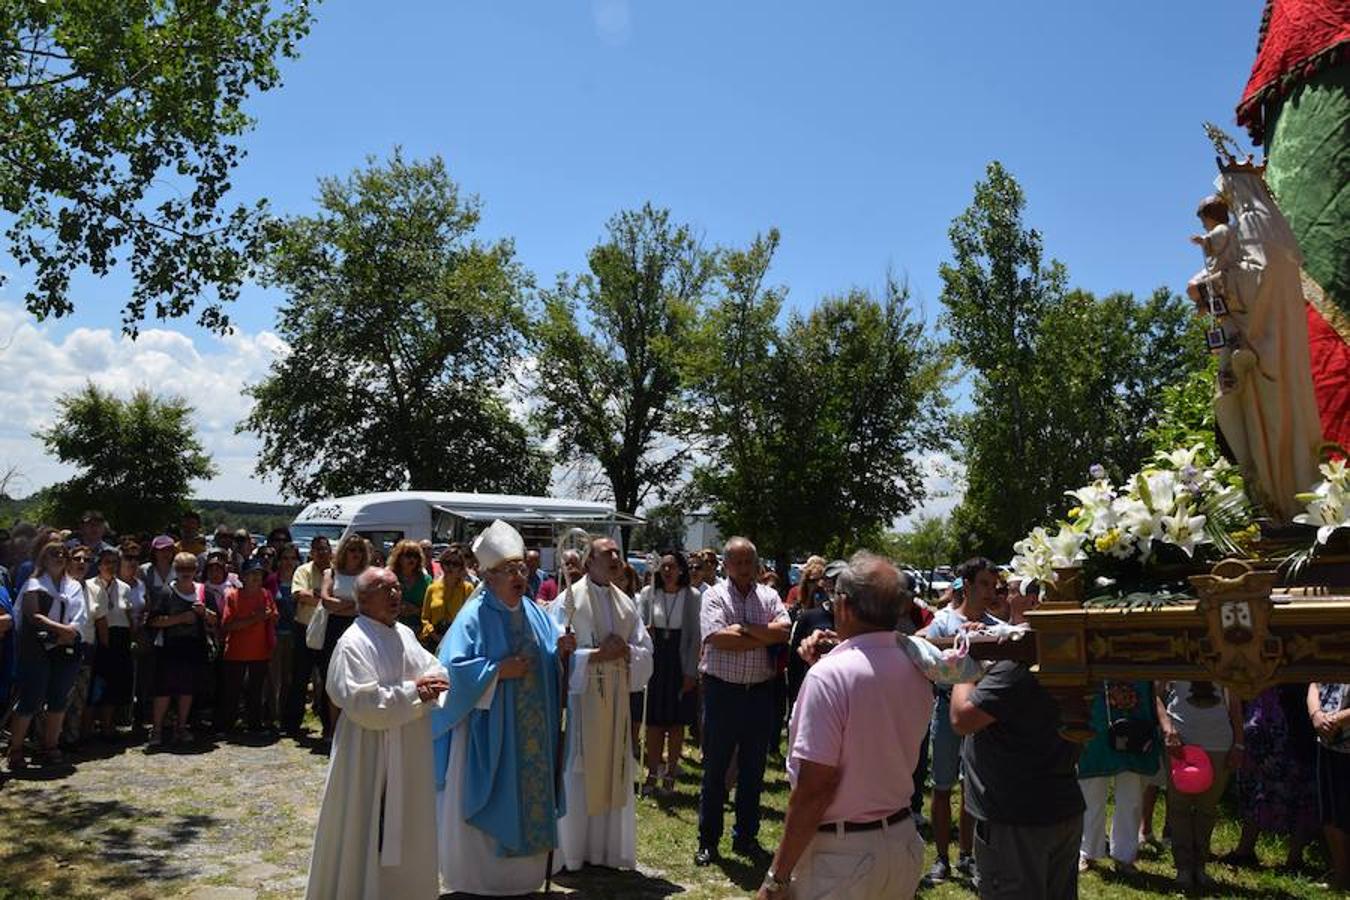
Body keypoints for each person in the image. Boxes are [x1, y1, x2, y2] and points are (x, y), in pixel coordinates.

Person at [757, 553, 933, 900]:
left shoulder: (830, 676)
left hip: (844, 855)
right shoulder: (915, 667)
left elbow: (814, 790)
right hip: (900, 842)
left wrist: (776, 877)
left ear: (845, 606)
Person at [432, 519, 575, 897]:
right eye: (509, 570)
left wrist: (560, 654)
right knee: (492, 795)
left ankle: (524, 877)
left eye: (521, 569)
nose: (518, 576)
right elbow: (452, 672)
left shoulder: (533, 612)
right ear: (489, 576)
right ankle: (481, 878)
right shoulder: (473, 615)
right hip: (489, 731)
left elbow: (547, 657)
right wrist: (497, 672)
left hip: (531, 735)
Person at [305, 567, 449, 900]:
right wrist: (416, 692)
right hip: (367, 751)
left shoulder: (405, 634)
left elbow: (436, 670)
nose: (396, 594)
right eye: (386, 588)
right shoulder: (353, 642)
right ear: (363, 599)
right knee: (366, 824)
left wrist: (426, 688)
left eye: (398, 587)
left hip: (409, 744)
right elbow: (363, 703)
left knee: (409, 820)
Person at [551, 536, 654, 871]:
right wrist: (594, 655)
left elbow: (645, 651)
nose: (614, 558)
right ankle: (574, 851)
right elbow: (555, 651)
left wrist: (626, 652)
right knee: (579, 771)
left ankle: (606, 851)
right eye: (606, 553)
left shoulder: (626, 602)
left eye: (617, 554)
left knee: (613, 767)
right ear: (588, 561)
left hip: (615, 704)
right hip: (583, 704)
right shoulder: (568, 601)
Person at [951, 648, 1084, 899]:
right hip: (1060, 806)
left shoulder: (1015, 667)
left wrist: (964, 668)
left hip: (1016, 821)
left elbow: (962, 719)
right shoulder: (1068, 654)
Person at [696, 536, 790, 867]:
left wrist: (745, 629)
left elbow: (784, 631)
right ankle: (708, 841)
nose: (744, 568)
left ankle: (745, 837)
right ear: (725, 564)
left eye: (749, 561)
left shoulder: (769, 595)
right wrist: (761, 634)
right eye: (737, 561)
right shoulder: (714, 595)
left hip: (759, 694)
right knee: (715, 768)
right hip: (723, 692)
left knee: (753, 770)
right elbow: (718, 639)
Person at [918, 556, 1004, 885]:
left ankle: (968, 856)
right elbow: (925, 657)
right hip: (944, 708)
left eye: (993, 585)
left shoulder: (996, 627)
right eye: (983, 583)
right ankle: (942, 858)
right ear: (966, 586)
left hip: (982, 713)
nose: (989, 591)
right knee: (942, 786)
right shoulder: (943, 623)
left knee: (974, 786)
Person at [1155, 680, 1243, 890]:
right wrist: (1167, 728)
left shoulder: (1225, 658)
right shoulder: (1175, 656)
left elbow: (1235, 705)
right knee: (1179, 807)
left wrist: (1239, 743)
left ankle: (1200, 867)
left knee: (1207, 808)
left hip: (1218, 742)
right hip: (1180, 742)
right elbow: (1155, 695)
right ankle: (1183, 868)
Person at [6, 541, 86, 770]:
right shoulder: (33, 583)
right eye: (53, 553)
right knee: (32, 698)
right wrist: (64, 631)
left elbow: (79, 617)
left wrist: (69, 632)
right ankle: (16, 749)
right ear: (43, 557)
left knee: (59, 698)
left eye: (63, 554)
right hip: (36, 648)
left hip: (66, 646)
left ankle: (50, 746)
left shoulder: (74, 586)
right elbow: (34, 617)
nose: (59, 557)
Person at [1224, 685, 1319, 871]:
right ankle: (1245, 850)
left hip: (1294, 719)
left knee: (1300, 784)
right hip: (1260, 717)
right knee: (1255, 785)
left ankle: (1294, 858)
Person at [635, 551, 701, 796]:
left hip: (679, 661)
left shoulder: (692, 597)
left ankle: (671, 773)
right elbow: (637, 626)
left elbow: (695, 637)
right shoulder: (648, 594)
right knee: (653, 722)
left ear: (681, 570)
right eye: (663, 567)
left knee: (675, 723)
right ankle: (652, 772)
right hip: (655, 660)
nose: (667, 571)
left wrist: (690, 672)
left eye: (672, 567)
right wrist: (645, 631)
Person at [1077, 680, 1160, 874]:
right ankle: (1087, 851)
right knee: (1091, 790)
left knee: (1131, 794)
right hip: (1097, 711)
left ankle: (1124, 855)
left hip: (1136, 714)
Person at [145, 552, 216, 747]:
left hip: (194, 647)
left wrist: (205, 613)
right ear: (175, 570)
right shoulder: (166, 593)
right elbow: (153, 621)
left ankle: (182, 727)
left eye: (190, 568)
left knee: (187, 690)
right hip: (169, 648)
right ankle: (157, 729)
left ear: (196, 570)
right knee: (163, 691)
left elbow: (216, 620)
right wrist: (180, 619)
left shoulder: (203, 592)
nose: (186, 572)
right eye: (181, 568)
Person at [317, 533, 367, 743]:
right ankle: (331, 727)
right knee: (332, 676)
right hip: (334, 628)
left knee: (356, 677)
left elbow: (366, 605)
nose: (355, 554)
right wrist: (350, 605)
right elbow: (326, 600)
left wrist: (343, 605)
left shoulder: (367, 574)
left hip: (359, 629)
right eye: (351, 549)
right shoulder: (332, 572)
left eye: (359, 550)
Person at [217, 560, 277, 733]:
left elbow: (273, 615)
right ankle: (228, 724)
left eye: (258, 574)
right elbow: (227, 625)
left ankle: (254, 723)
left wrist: (267, 616)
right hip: (236, 651)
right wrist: (255, 618)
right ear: (243, 577)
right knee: (232, 691)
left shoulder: (266, 594)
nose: (255, 578)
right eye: (251, 574)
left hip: (260, 651)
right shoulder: (232, 595)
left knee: (256, 691)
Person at [85, 546, 137, 740]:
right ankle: (86, 729)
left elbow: (128, 615)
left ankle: (108, 727)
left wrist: (133, 638)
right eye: (107, 562)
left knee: (114, 685)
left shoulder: (124, 587)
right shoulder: (89, 585)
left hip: (120, 638)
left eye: (114, 562)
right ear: (99, 565)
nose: (111, 566)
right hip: (98, 639)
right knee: (94, 686)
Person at [286, 535, 331, 735]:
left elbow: (313, 597)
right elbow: (299, 595)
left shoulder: (336, 572)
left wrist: (315, 595)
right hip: (304, 629)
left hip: (328, 631)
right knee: (299, 678)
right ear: (312, 552)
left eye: (325, 549)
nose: (322, 553)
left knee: (328, 680)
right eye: (318, 549)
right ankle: (292, 725)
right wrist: (328, 599)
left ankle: (328, 725)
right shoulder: (303, 571)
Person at [1309, 682, 1350, 890]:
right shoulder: (1328, 653)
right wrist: (1316, 714)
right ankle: (1341, 875)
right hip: (1327, 743)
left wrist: (1336, 719)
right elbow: (1314, 683)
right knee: (1330, 814)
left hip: (1344, 742)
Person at [266, 543, 301, 729]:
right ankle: (272, 716)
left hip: (295, 634)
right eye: (285, 558)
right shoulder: (272, 580)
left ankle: (286, 717)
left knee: (289, 677)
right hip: (275, 634)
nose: (288, 562)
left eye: (292, 558)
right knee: (273, 678)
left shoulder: (301, 579)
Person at [419, 543, 474, 651]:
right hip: (434, 641)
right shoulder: (432, 588)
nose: (450, 567)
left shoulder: (467, 589)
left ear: (461, 567)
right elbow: (425, 618)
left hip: (457, 640)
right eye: (447, 562)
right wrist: (434, 635)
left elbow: (470, 619)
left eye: (455, 564)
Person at [388, 539, 432, 633]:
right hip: (393, 627)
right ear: (399, 557)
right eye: (408, 555)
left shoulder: (426, 580)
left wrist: (417, 610)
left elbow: (432, 607)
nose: (412, 559)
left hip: (420, 629)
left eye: (415, 555)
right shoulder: (389, 578)